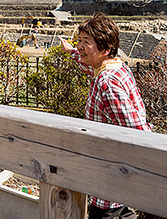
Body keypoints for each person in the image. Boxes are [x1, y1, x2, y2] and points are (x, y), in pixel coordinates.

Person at [60, 12, 150, 219]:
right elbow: (87, 63)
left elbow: (137, 130)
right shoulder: (114, 66)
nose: (80, 45)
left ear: (105, 49)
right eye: (79, 40)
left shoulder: (107, 83)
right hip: (116, 176)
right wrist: (71, 50)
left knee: (106, 212)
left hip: (110, 175)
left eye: (86, 42)